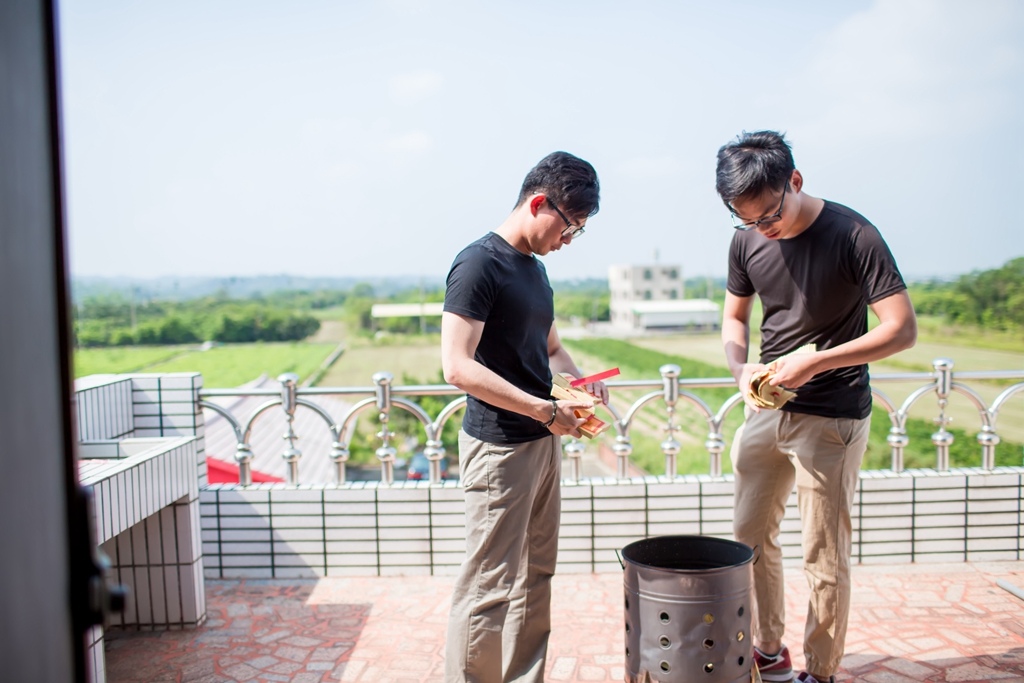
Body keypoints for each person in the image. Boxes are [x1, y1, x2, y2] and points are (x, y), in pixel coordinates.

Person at [716, 131, 917, 683]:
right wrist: (742, 373)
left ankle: (820, 671)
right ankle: (769, 648)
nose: (763, 229)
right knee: (748, 541)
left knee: (822, 557)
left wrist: (815, 363)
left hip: (831, 415)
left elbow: (902, 330)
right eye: (747, 220)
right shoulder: (746, 241)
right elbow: (735, 318)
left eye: (769, 215)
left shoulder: (854, 235)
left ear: (795, 182)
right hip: (765, 411)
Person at [441, 151, 608, 683]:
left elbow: (552, 349)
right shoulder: (477, 265)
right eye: (570, 226)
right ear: (539, 203)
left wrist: (581, 385)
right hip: (499, 450)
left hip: (542, 442)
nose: (567, 240)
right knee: (488, 586)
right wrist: (544, 410)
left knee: (537, 576)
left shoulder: (534, 272)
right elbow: (457, 367)